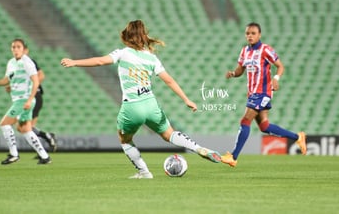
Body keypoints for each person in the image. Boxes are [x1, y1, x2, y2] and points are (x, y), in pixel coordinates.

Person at [61, 20, 221, 179]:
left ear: (127, 36)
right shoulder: (151, 58)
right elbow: (169, 80)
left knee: (124, 139)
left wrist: (75, 62)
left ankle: (144, 172)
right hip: (151, 104)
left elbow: (101, 61)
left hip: (132, 106)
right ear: (144, 36)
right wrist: (186, 100)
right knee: (169, 134)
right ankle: (199, 148)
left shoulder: (122, 53)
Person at [221, 22, 307, 167]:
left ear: (259, 35)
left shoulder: (266, 50)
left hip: (263, 92)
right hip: (252, 93)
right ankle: (298, 137)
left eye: (253, 33)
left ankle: (233, 157)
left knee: (245, 121)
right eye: (247, 33)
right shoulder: (244, 51)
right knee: (265, 126)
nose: (250, 36)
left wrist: (276, 78)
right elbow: (240, 70)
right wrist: (233, 73)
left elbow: (280, 66)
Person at [0, 39, 51, 165]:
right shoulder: (11, 63)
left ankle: (14, 154)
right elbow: (6, 80)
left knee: (4, 124)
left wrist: (30, 99)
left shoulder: (27, 62)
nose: (15, 49)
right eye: (13, 47)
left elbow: (36, 81)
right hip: (20, 100)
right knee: (25, 129)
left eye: (18, 47)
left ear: (23, 49)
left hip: (24, 100)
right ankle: (45, 156)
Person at [6, 48, 57, 154]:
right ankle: (45, 141)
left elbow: (41, 76)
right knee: (23, 128)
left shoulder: (28, 62)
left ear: (26, 50)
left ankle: (44, 146)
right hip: (29, 97)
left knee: (24, 127)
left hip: (33, 97)